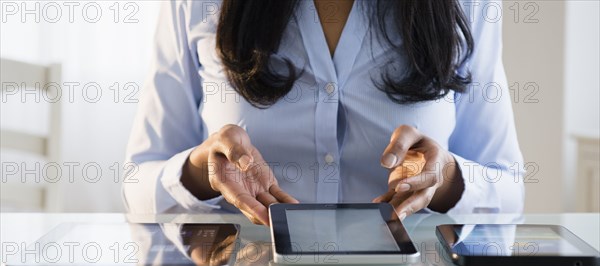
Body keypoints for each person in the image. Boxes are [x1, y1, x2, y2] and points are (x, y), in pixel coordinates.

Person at [124, 0, 524, 224]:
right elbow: (137, 184)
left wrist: (448, 178)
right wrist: (200, 172)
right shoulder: (194, 6)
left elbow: (508, 191)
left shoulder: (469, 6)